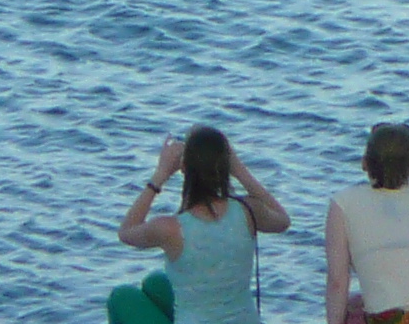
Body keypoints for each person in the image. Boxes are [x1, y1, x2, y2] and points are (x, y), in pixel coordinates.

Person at [113, 125, 290, 324]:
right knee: (156, 283)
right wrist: (240, 170)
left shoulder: (170, 228)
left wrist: (159, 175)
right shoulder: (248, 210)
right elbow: (283, 220)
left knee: (121, 297)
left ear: (184, 168)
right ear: (227, 164)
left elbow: (126, 231)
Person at [324, 122, 409, 324]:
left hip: (394, 319)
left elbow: (337, 283)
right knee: (357, 302)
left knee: (354, 307)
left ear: (365, 162)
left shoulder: (343, 203)